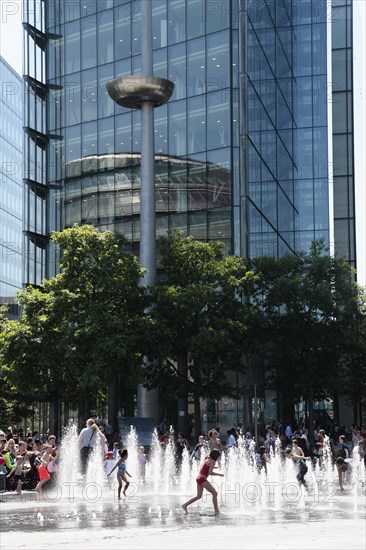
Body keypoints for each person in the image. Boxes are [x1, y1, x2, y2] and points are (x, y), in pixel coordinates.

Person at [181, 449, 224, 515]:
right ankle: (217, 511)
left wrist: (214, 467)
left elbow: (206, 466)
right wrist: (220, 474)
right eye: (219, 456)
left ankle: (184, 505)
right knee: (214, 493)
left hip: (199, 478)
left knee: (198, 496)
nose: (219, 457)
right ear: (216, 456)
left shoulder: (207, 458)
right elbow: (210, 472)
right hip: (202, 479)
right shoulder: (212, 461)